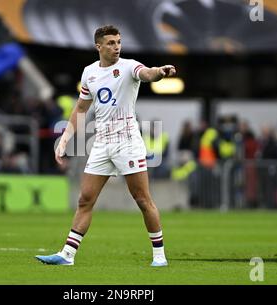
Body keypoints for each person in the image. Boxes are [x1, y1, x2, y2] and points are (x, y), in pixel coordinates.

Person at [35, 25, 176, 267]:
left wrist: (160, 72)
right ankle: (67, 255)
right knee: (85, 199)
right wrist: (65, 139)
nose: (116, 46)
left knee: (142, 199)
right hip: (101, 143)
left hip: (127, 143)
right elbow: (81, 108)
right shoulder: (89, 72)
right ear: (98, 46)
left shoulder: (129, 66)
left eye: (118, 42)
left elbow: (147, 74)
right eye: (110, 43)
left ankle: (159, 256)